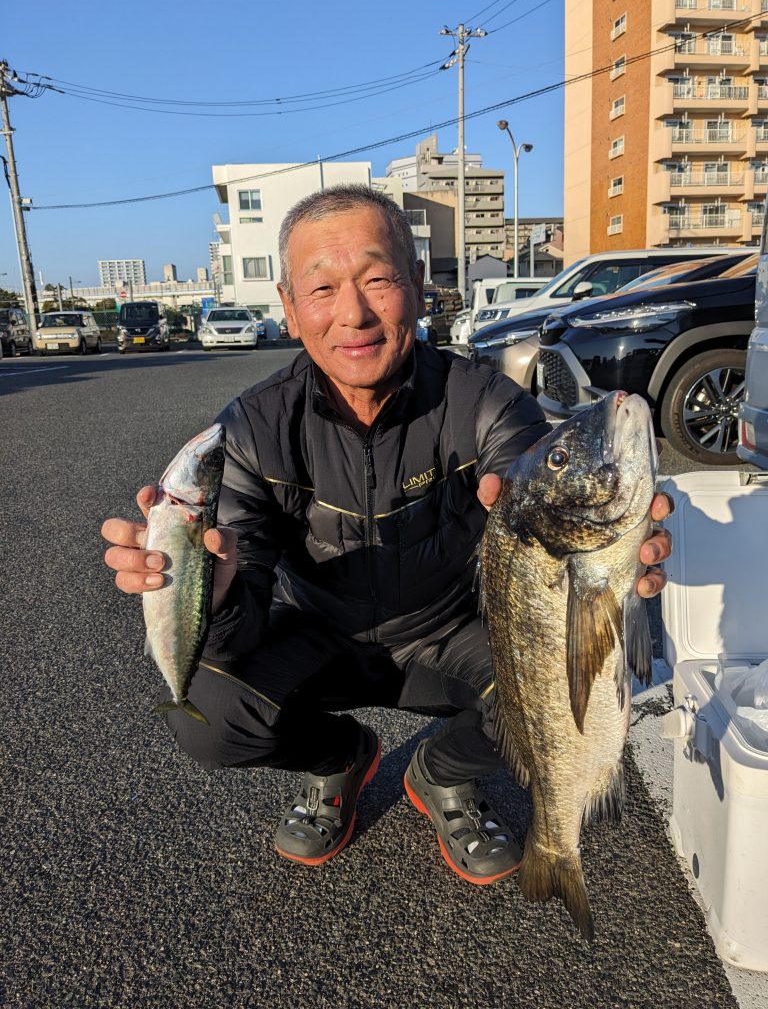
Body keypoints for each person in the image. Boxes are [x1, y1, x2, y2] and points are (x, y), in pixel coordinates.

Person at [102, 184, 672, 884]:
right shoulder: (251, 430)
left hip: (449, 633)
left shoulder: (486, 401)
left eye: (378, 278)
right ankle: (338, 757)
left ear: (421, 287)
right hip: (317, 634)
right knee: (206, 715)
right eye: (322, 288)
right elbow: (238, 610)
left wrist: (612, 567)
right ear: (288, 304)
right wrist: (213, 597)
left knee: (566, 682)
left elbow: (541, 489)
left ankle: (441, 772)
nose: (354, 314)